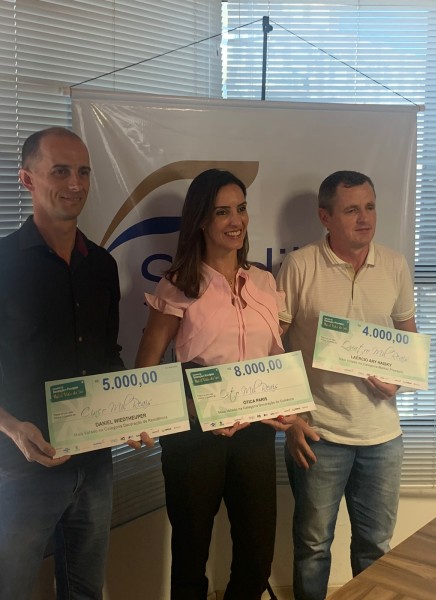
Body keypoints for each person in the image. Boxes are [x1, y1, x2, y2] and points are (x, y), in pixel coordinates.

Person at [134, 168, 296, 600]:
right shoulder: (178, 285)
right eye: (222, 212)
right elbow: (146, 368)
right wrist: (192, 410)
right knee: (191, 557)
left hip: (255, 434)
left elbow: (274, 360)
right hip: (194, 436)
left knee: (257, 556)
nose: (235, 221)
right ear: (201, 220)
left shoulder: (264, 282)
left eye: (240, 208)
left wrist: (288, 405)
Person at [276, 171, 417, 600]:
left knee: (376, 548)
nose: (364, 218)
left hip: (382, 436)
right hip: (319, 433)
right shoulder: (300, 266)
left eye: (369, 207)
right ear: (325, 217)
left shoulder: (394, 264)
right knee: (313, 548)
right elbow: (273, 348)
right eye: (351, 209)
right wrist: (292, 418)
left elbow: (408, 339)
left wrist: (399, 381)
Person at [0, 127, 124, 599]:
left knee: (85, 591)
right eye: (60, 171)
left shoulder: (103, 266)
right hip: (20, 464)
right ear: (27, 179)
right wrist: (12, 427)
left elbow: (108, 356)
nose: (75, 184)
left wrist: (137, 410)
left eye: (83, 172)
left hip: (95, 462)